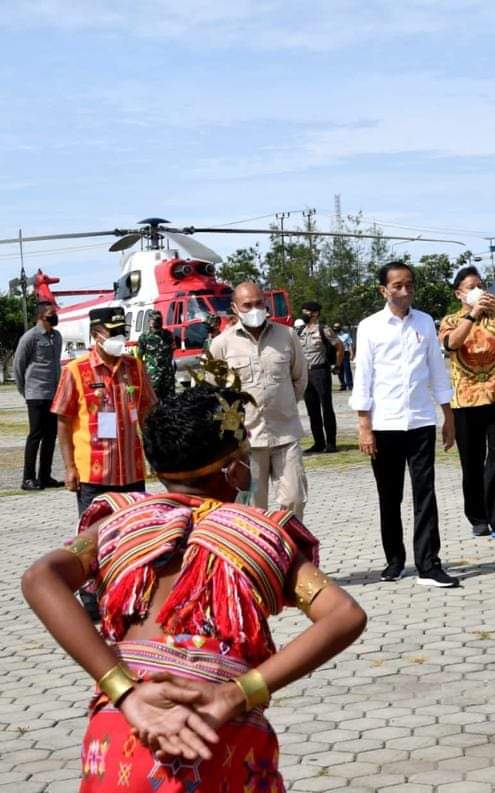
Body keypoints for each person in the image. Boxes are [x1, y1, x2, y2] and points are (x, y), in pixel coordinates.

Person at [21, 383, 367, 791]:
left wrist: (124, 691)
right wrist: (236, 695)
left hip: (125, 729)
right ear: (234, 468)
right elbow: (346, 615)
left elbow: (39, 577)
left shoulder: (119, 521)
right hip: (218, 732)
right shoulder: (261, 534)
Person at [350, 261, 460, 588]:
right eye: (397, 285)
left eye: (409, 284)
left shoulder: (425, 323)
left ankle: (428, 563)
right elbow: (363, 378)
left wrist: (448, 416)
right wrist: (364, 425)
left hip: (421, 421)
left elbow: (437, 372)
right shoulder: (369, 327)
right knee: (390, 495)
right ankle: (394, 560)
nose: (405, 291)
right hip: (384, 424)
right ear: (383, 290)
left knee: (425, 492)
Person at [209, 282, 309, 519]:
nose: (254, 309)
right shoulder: (221, 344)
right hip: (247, 444)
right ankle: (259, 554)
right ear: (235, 308)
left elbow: (299, 379)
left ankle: (289, 552)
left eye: (259, 303)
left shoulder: (287, 336)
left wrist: (282, 405)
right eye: (247, 305)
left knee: (294, 500)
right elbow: (216, 394)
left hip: (285, 434)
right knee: (253, 510)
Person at [439, 266, 495, 539]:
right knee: (472, 463)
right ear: (459, 293)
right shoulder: (451, 320)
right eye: (471, 286)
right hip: (465, 403)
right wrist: (472, 315)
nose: (478, 290)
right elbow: (452, 344)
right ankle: (477, 516)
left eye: (480, 285)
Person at [52, 307, 156, 517]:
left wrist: (154, 455)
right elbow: (63, 421)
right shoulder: (75, 371)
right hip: (93, 476)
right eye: (112, 332)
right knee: (94, 538)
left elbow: (147, 413)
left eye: (122, 332)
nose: (119, 338)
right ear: (95, 335)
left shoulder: (135, 367)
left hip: (131, 473)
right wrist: (70, 467)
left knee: (132, 533)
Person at [14, 301, 63, 490]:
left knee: (51, 436)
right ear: (42, 316)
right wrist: (24, 391)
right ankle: (28, 478)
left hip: (53, 393)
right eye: (51, 313)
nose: (55, 316)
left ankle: (44, 476)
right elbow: (19, 365)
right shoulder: (30, 337)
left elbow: (56, 365)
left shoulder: (56, 336)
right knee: (36, 435)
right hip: (35, 393)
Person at [297, 301, 343, 454]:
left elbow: (339, 347)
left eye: (307, 311)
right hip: (306, 373)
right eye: (303, 311)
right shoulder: (300, 331)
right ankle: (318, 442)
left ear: (315, 313)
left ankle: (331, 443)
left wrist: (337, 365)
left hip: (320, 371)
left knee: (326, 408)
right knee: (312, 409)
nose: (304, 314)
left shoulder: (324, 330)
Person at [136, 312, 176, 401]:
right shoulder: (144, 337)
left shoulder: (168, 335)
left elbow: (172, 350)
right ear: (149, 321)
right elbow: (139, 356)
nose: (157, 322)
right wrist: (143, 373)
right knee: (153, 400)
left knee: (170, 400)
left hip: (167, 374)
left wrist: (170, 366)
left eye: (158, 320)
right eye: (154, 320)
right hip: (153, 374)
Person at [333, 322, 354, 391]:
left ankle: (350, 384)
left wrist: (351, 353)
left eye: (337, 327)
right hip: (337, 353)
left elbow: (350, 345)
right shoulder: (333, 336)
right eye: (335, 327)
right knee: (339, 369)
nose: (336, 329)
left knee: (347, 369)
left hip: (345, 353)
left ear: (340, 327)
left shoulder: (346, 335)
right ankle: (343, 385)